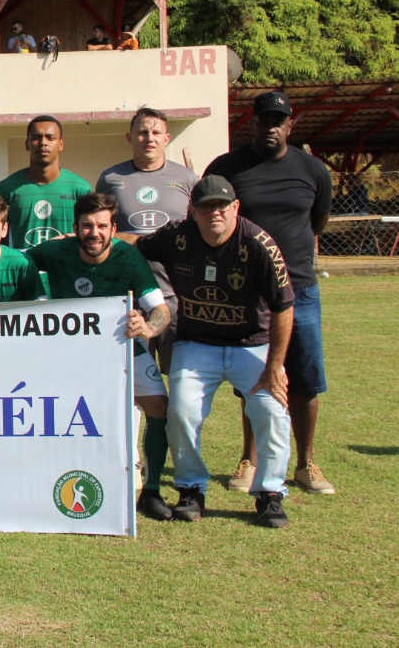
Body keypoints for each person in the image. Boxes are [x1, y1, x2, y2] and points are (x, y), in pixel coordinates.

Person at [136, 176, 295, 528]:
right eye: (206, 206)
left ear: (235, 207)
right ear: (193, 211)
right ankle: (191, 488)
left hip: (252, 343)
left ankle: (269, 493)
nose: (214, 213)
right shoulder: (176, 236)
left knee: (271, 409)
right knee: (181, 411)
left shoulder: (258, 244)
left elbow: (284, 307)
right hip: (197, 343)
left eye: (222, 206)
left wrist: (275, 367)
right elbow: (135, 244)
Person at [204, 91, 335, 495]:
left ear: (290, 126)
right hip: (247, 293)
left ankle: (306, 463)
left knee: (305, 377)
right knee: (252, 378)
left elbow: (318, 222)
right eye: (264, 121)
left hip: (300, 290)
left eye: (279, 121)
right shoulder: (227, 168)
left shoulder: (314, 171)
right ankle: (249, 459)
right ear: (253, 123)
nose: (271, 128)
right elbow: (213, 218)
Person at [29, 193, 175, 521]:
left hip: (124, 348)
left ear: (113, 228)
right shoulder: (54, 251)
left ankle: (150, 490)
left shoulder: (129, 258)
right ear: (75, 228)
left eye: (101, 225)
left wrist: (148, 329)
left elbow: (161, 311)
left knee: (159, 406)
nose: (94, 232)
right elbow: (12, 261)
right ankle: (48, 477)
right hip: (71, 355)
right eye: (87, 225)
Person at [97, 107, 198, 370]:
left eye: (156, 132)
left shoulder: (186, 179)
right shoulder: (110, 179)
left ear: (167, 138)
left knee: (179, 378)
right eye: (142, 132)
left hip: (175, 295)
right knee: (130, 378)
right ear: (129, 137)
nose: (149, 138)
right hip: (127, 297)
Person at [0, 115, 93, 249]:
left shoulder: (80, 189)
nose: (43, 142)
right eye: (36, 137)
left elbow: (91, 235)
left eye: (50, 137)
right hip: (23, 269)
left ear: (61, 144)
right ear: (27, 144)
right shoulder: (6, 189)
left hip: (64, 269)